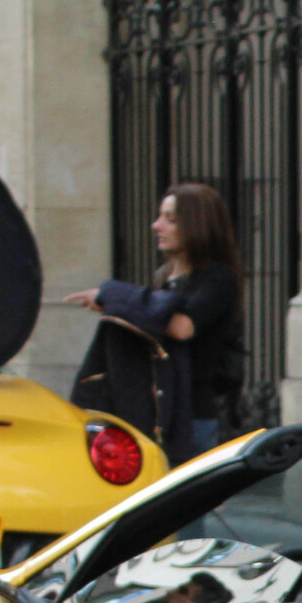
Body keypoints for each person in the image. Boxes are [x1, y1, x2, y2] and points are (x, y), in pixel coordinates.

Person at [66, 183, 246, 458]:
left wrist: (115, 296)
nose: (156, 225)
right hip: (161, 413)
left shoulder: (218, 278)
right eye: (160, 216)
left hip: (194, 417)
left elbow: (181, 327)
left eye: (170, 219)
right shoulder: (164, 277)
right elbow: (152, 323)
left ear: (197, 225)